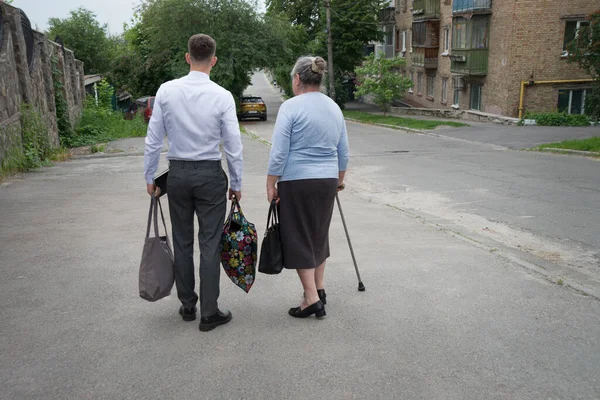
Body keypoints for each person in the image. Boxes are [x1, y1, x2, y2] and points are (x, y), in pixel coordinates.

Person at [144, 34, 243, 332]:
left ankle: (188, 304)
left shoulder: (166, 91)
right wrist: (236, 182)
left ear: (188, 57)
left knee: (183, 241)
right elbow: (233, 144)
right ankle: (209, 312)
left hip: (178, 175)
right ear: (213, 60)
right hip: (211, 174)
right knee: (210, 243)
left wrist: (150, 176)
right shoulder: (222, 95)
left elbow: (153, 140)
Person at [266, 56, 350, 319]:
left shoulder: (291, 107)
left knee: (298, 236)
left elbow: (279, 152)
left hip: (296, 180)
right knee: (318, 234)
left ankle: (311, 299)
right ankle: (319, 289)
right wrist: (338, 180)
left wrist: (271, 182)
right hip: (326, 180)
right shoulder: (334, 107)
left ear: (297, 79)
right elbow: (343, 152)